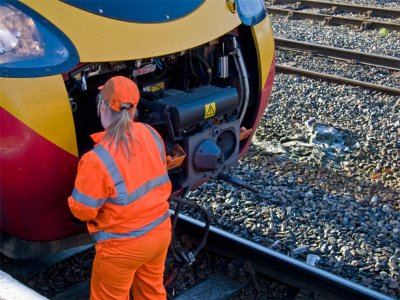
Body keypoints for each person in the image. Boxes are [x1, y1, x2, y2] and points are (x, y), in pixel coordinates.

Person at [68, 76, 172, 300]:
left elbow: (81, 211)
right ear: (133, 109)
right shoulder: (151, 134)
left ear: (102, 106)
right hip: (160, 232)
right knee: (152, 293)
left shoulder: (96, 158)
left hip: (122, 247)